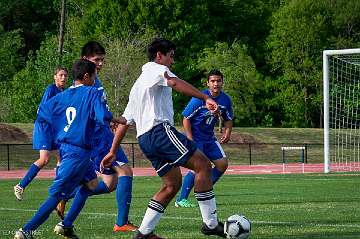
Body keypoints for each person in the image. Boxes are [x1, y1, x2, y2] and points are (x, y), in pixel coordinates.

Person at [101, 38, 226, 239]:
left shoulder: (137, 85)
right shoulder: (154, 69)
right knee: (203, 165)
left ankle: (143, 233)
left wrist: (112, 150)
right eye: (171, 56)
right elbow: (174, 82)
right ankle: (210, 224)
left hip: (145, 140)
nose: (172, 61)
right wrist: (206, 98)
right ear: (159, 55)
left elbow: (125, 121)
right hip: (158, 131)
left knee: (171, 184)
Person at [14, 59, 113, 239]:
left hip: (68, 148)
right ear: (86, 76)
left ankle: (66, 225)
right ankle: (26, 231)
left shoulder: (64, 95)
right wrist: (115, 119)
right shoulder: (92, 92)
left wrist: (61, 128)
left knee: (91, 184)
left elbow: (42, 112)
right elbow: (103, 116)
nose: (95, 79)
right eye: (94, 76)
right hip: (78, 153)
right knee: (57, 195)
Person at [56, 41, 137, 232]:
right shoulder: (89, 84)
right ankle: (121, 223)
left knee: (109, 184)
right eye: (96, 60)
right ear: (85, 60)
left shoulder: (93, 82)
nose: (100, 63)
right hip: (100, 140)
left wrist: (109, 121)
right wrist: (114, 120)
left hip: (100, 136)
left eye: (102, 60)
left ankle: (66, 213)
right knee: (126, 172)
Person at [175, 69, 233, 208]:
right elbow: (186, 119)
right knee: (197, 167)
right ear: (208, 83)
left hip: (209, 138)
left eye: (218, 81)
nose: (216, 84)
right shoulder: (199, 98)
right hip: (196, 138)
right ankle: (181, 199)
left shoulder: (226, 100)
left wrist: (228, 132)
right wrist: (190, 139)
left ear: (222, 82)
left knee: (222, 164)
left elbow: (228, 118)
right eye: (212, 81)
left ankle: (203, 190)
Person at [14, 66, 68, 201]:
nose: (63, 77)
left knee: (61, 156)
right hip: (44, 126)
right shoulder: (51, 89)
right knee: (44, 159)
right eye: (60, 75)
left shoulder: (64, 92)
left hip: (53, 129)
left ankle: (58, 190)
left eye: (65, 75)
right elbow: (42, 110)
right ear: (55, 77)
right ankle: (20, 186)